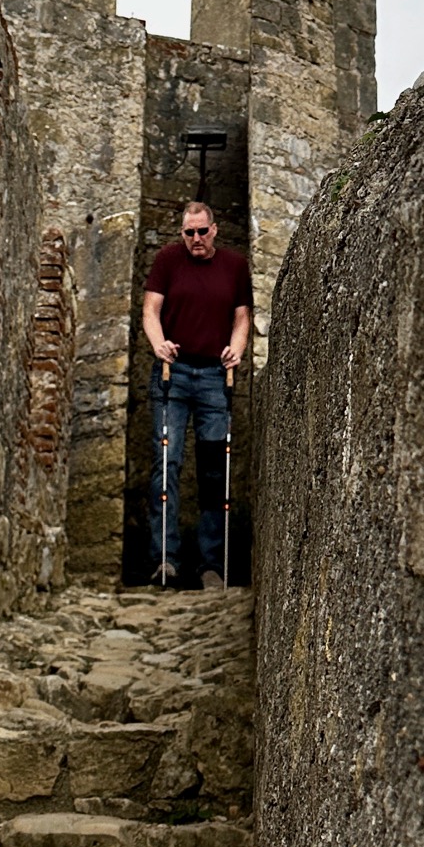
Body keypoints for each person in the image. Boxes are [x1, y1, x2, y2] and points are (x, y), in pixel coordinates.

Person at [142, 201, 252, 589]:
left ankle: (210, 565)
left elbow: (242, 316)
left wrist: (236, 349)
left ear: (215, 229)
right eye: (189, 233)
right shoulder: (168, 260)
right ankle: (165, 560)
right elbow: (151, 310)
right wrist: (159, 344)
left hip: (213, 379)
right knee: (166, 465)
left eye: (202, 231)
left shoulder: (235, 267)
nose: (196, 239)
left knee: (213, 472)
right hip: (174, 374)